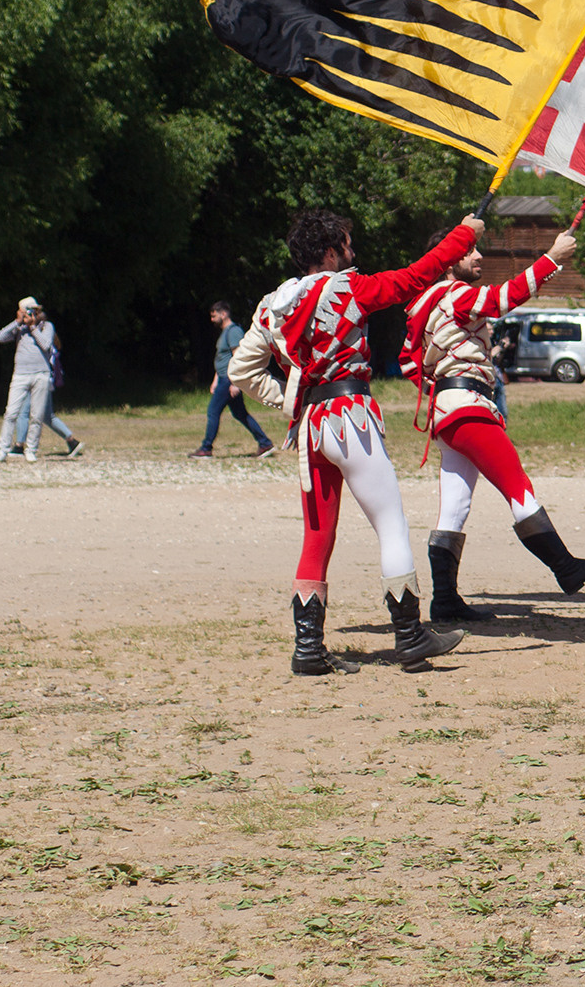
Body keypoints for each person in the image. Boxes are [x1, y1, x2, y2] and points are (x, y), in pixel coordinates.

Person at [232, 209, 481, 674]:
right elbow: (417, 276)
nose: (354, 253)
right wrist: (465, 234)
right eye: (347, 245)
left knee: (316, 537)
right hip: (350, 418)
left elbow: (240, 371)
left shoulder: (272, 304)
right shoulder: (348, 287)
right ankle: (409, 637)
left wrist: (292, 401)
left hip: (310, 428)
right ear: (329, 252)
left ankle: (308, 650)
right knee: (391, 524)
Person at [402, 226, 585, 622]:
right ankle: (565, 567)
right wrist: (553, 257)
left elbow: (408, 363)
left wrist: (441, 388)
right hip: (468, 406)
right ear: (449, 261)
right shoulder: (455, 293)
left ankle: (445, 601)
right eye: (469, 251)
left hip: (447, 407)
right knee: (517, 487)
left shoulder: (425, 303)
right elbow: (503, 299)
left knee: (455, 507)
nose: (479, 256)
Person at [196, 302, 275, 459]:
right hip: (224, 379)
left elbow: (238, 358)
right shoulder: (225, 333)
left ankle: (206, 448)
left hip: (229, 380)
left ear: (223, 313)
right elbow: (223, 360)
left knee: (213, 411)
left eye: (214, 315)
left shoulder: (233, 332)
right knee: (240, 414)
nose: (212, 319)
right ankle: (265, 444)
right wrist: (215, 380)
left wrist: (235, 382)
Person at [0, 298, 61, 463]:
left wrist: (32, 327)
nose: (31, 314)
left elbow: (46, 344)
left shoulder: (47, 326)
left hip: (41, 375)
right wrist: (17, 321)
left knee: (36, 415)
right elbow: (0, 337)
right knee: (11, 413)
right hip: (21, 375)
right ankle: (2, 450)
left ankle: (31, 450)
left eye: (33, 311)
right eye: (27, 311)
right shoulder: (19, 328)